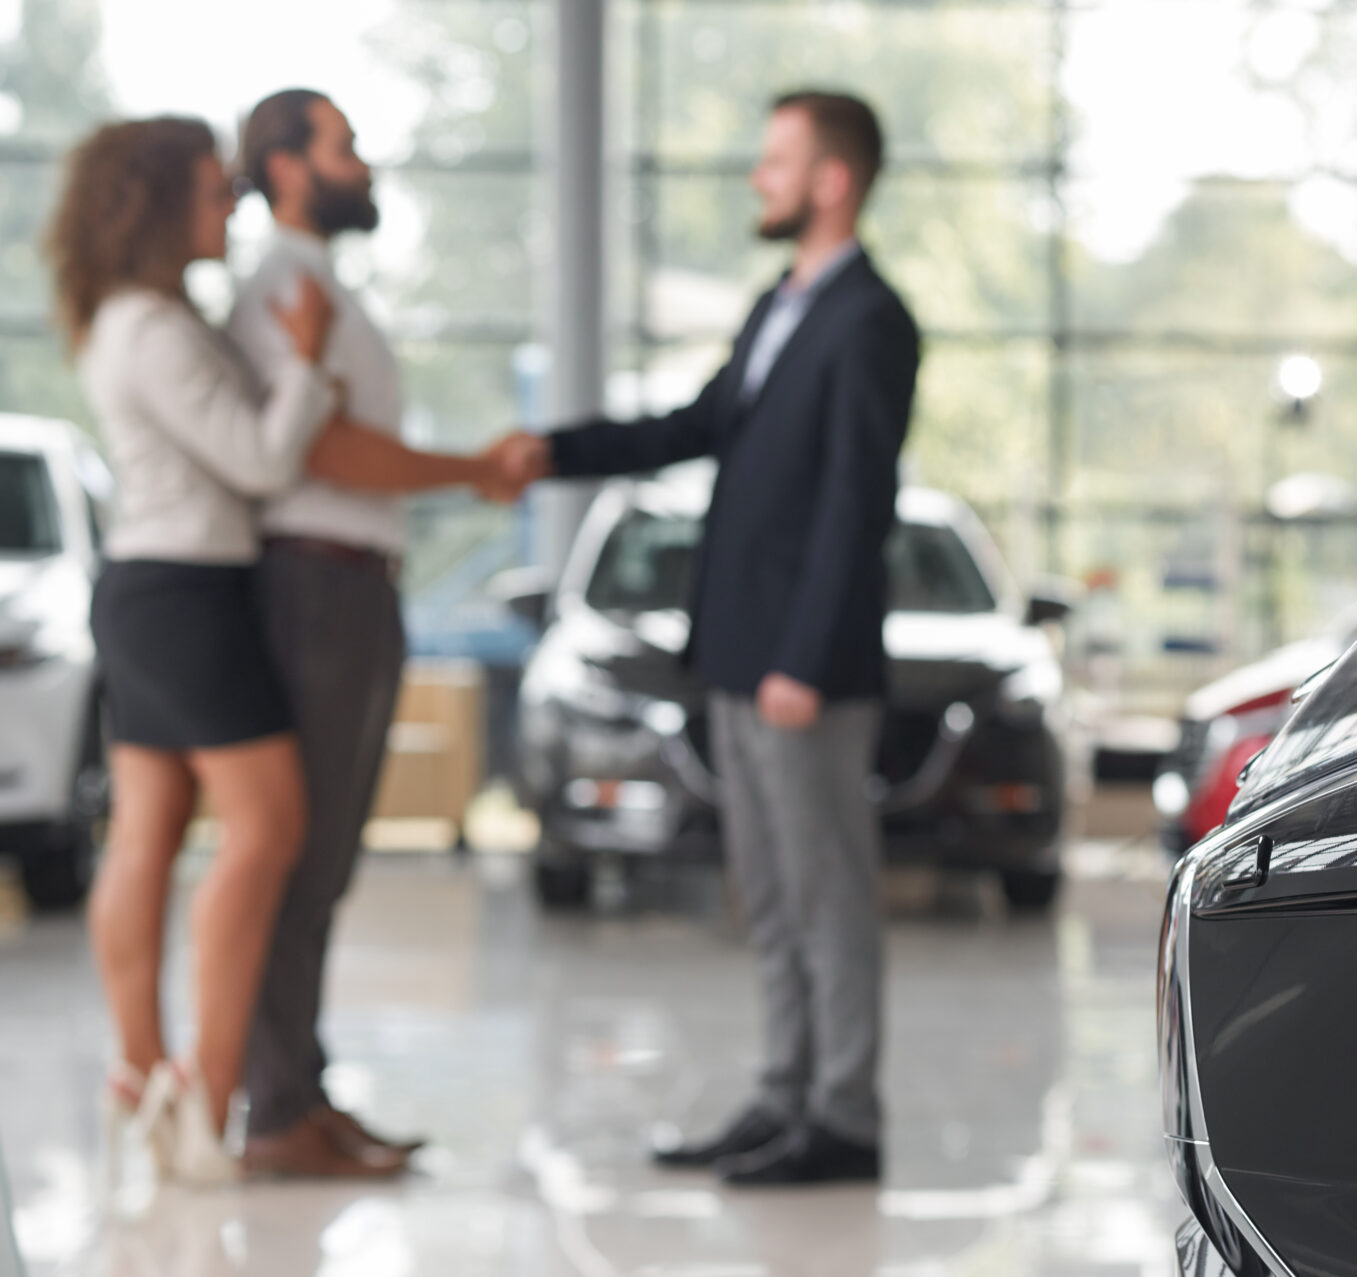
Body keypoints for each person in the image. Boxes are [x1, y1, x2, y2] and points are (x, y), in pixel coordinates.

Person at [44, 116, 518, 1187]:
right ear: (160, 203)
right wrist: (305, 369)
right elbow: (266, 461)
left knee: (155, 832)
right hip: (186, 592)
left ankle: (158, 1081)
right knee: (269, 832)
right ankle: (215, 1100)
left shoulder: (166, 314)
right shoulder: (173, 322)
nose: (234, 202)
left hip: (174, 586)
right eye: (216, 189)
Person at [492, 90, 919, 1185]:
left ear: (833, 178)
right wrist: (556, 449)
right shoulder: (779, 305)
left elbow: (851, 506)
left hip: (798, 671)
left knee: (827, 894)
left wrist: (804, 660)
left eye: (775, 159)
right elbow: (692, 427)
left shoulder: (872, 320)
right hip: (734, 655)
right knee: (771, 897)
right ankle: (783, 1098)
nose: (756, 178)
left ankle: (847, 1118)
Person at [227, 88, 522, 1179]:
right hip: (314, 587)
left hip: (351, 586)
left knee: (326, 858)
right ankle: (276, 1109)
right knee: (299, 857)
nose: (365, 164)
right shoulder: (282, 288)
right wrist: (476, 471)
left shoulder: (319, 288)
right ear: (290, 167)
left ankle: (298, 1089)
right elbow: (332, 454)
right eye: (344, 146)